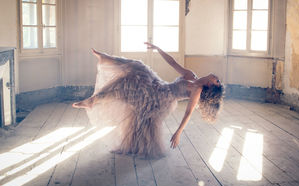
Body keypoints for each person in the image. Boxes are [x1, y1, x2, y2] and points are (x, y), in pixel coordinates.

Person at [72, 42, 224, 158]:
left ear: (209, 85)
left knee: (129, 84)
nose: (216, 77)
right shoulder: (191, 75)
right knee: (138, 67)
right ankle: (105, 60)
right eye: (217, 79)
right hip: (161, 86)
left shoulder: (197, 91)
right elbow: (172, 62)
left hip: (162, 99)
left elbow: (188, 113)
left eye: (216, 81)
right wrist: (157, 48)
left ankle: (94, 100)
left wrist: (178, 133)